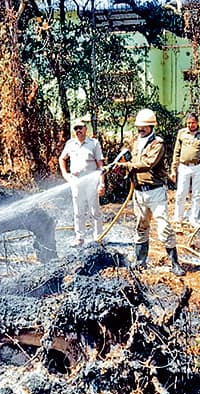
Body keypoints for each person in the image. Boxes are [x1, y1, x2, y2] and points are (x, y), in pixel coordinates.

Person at [113, 108, 185, 275]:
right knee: (141, 226)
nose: (140, 129)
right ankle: (140, 262)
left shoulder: (157, 144)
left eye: (144, 127)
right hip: (139, 192)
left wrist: (126, 166)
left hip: (155, 191)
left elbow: (147, 164)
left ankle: (175, 263)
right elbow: (133, 161)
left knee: (164, 227)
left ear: (151, 126)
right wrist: (121, 168)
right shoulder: (136, 142)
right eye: (139, 126)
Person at [59, 117, 105, 246]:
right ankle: (79, 238)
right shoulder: (70, 144)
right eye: (76, 128)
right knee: (78, 212)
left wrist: (102, 183)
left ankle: (98, 238)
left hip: (91, 182)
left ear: (86, 129)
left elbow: (100, 165)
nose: (78, 130)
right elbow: (62, 159)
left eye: (80, 128)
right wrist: (65, 174)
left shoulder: (94, 143)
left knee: (94, 211)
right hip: (76, 182)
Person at [169, 113, 200, 229]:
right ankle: (178, 218)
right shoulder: (181, 133)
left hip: (199, 166)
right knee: (181, 193)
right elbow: (176, 152)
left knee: (197, 193)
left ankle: (193, 219)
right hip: (184, 166)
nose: (191, 125)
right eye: (188, 123)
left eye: (193, 122)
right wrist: (173, 169)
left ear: (197, 122)